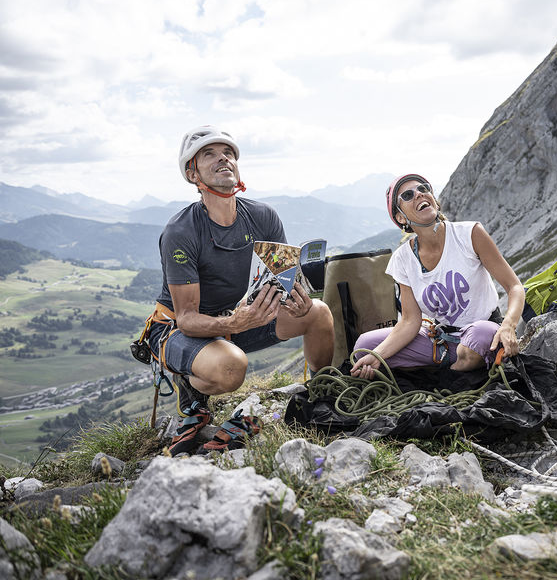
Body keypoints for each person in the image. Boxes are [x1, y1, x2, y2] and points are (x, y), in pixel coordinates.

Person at [148, 125, 334, 452]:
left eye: (228, 153)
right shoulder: (181, 231)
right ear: (192, 174)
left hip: (238, 316)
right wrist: (234, 323)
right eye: (209, 154)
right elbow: (187, 318)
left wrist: (297, 302)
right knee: (231, 367)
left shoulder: (263, 217)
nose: (223, 158)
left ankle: (321, 393)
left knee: (318, 313)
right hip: (178, 328)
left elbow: (281, 282)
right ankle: (191, 389)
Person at [350, 173, 523, 380]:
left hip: (482, 333)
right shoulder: (403, 259)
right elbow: (409, 321)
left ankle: (440, 376)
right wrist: (377, 355)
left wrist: (508, 325)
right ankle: (452, 368)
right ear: (401, 218)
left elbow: (514, 287)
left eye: (423, 188)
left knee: (480, 336)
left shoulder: (470, 234)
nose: (419, 194)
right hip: (441, 340)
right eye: (408, 195)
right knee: (364, 347)